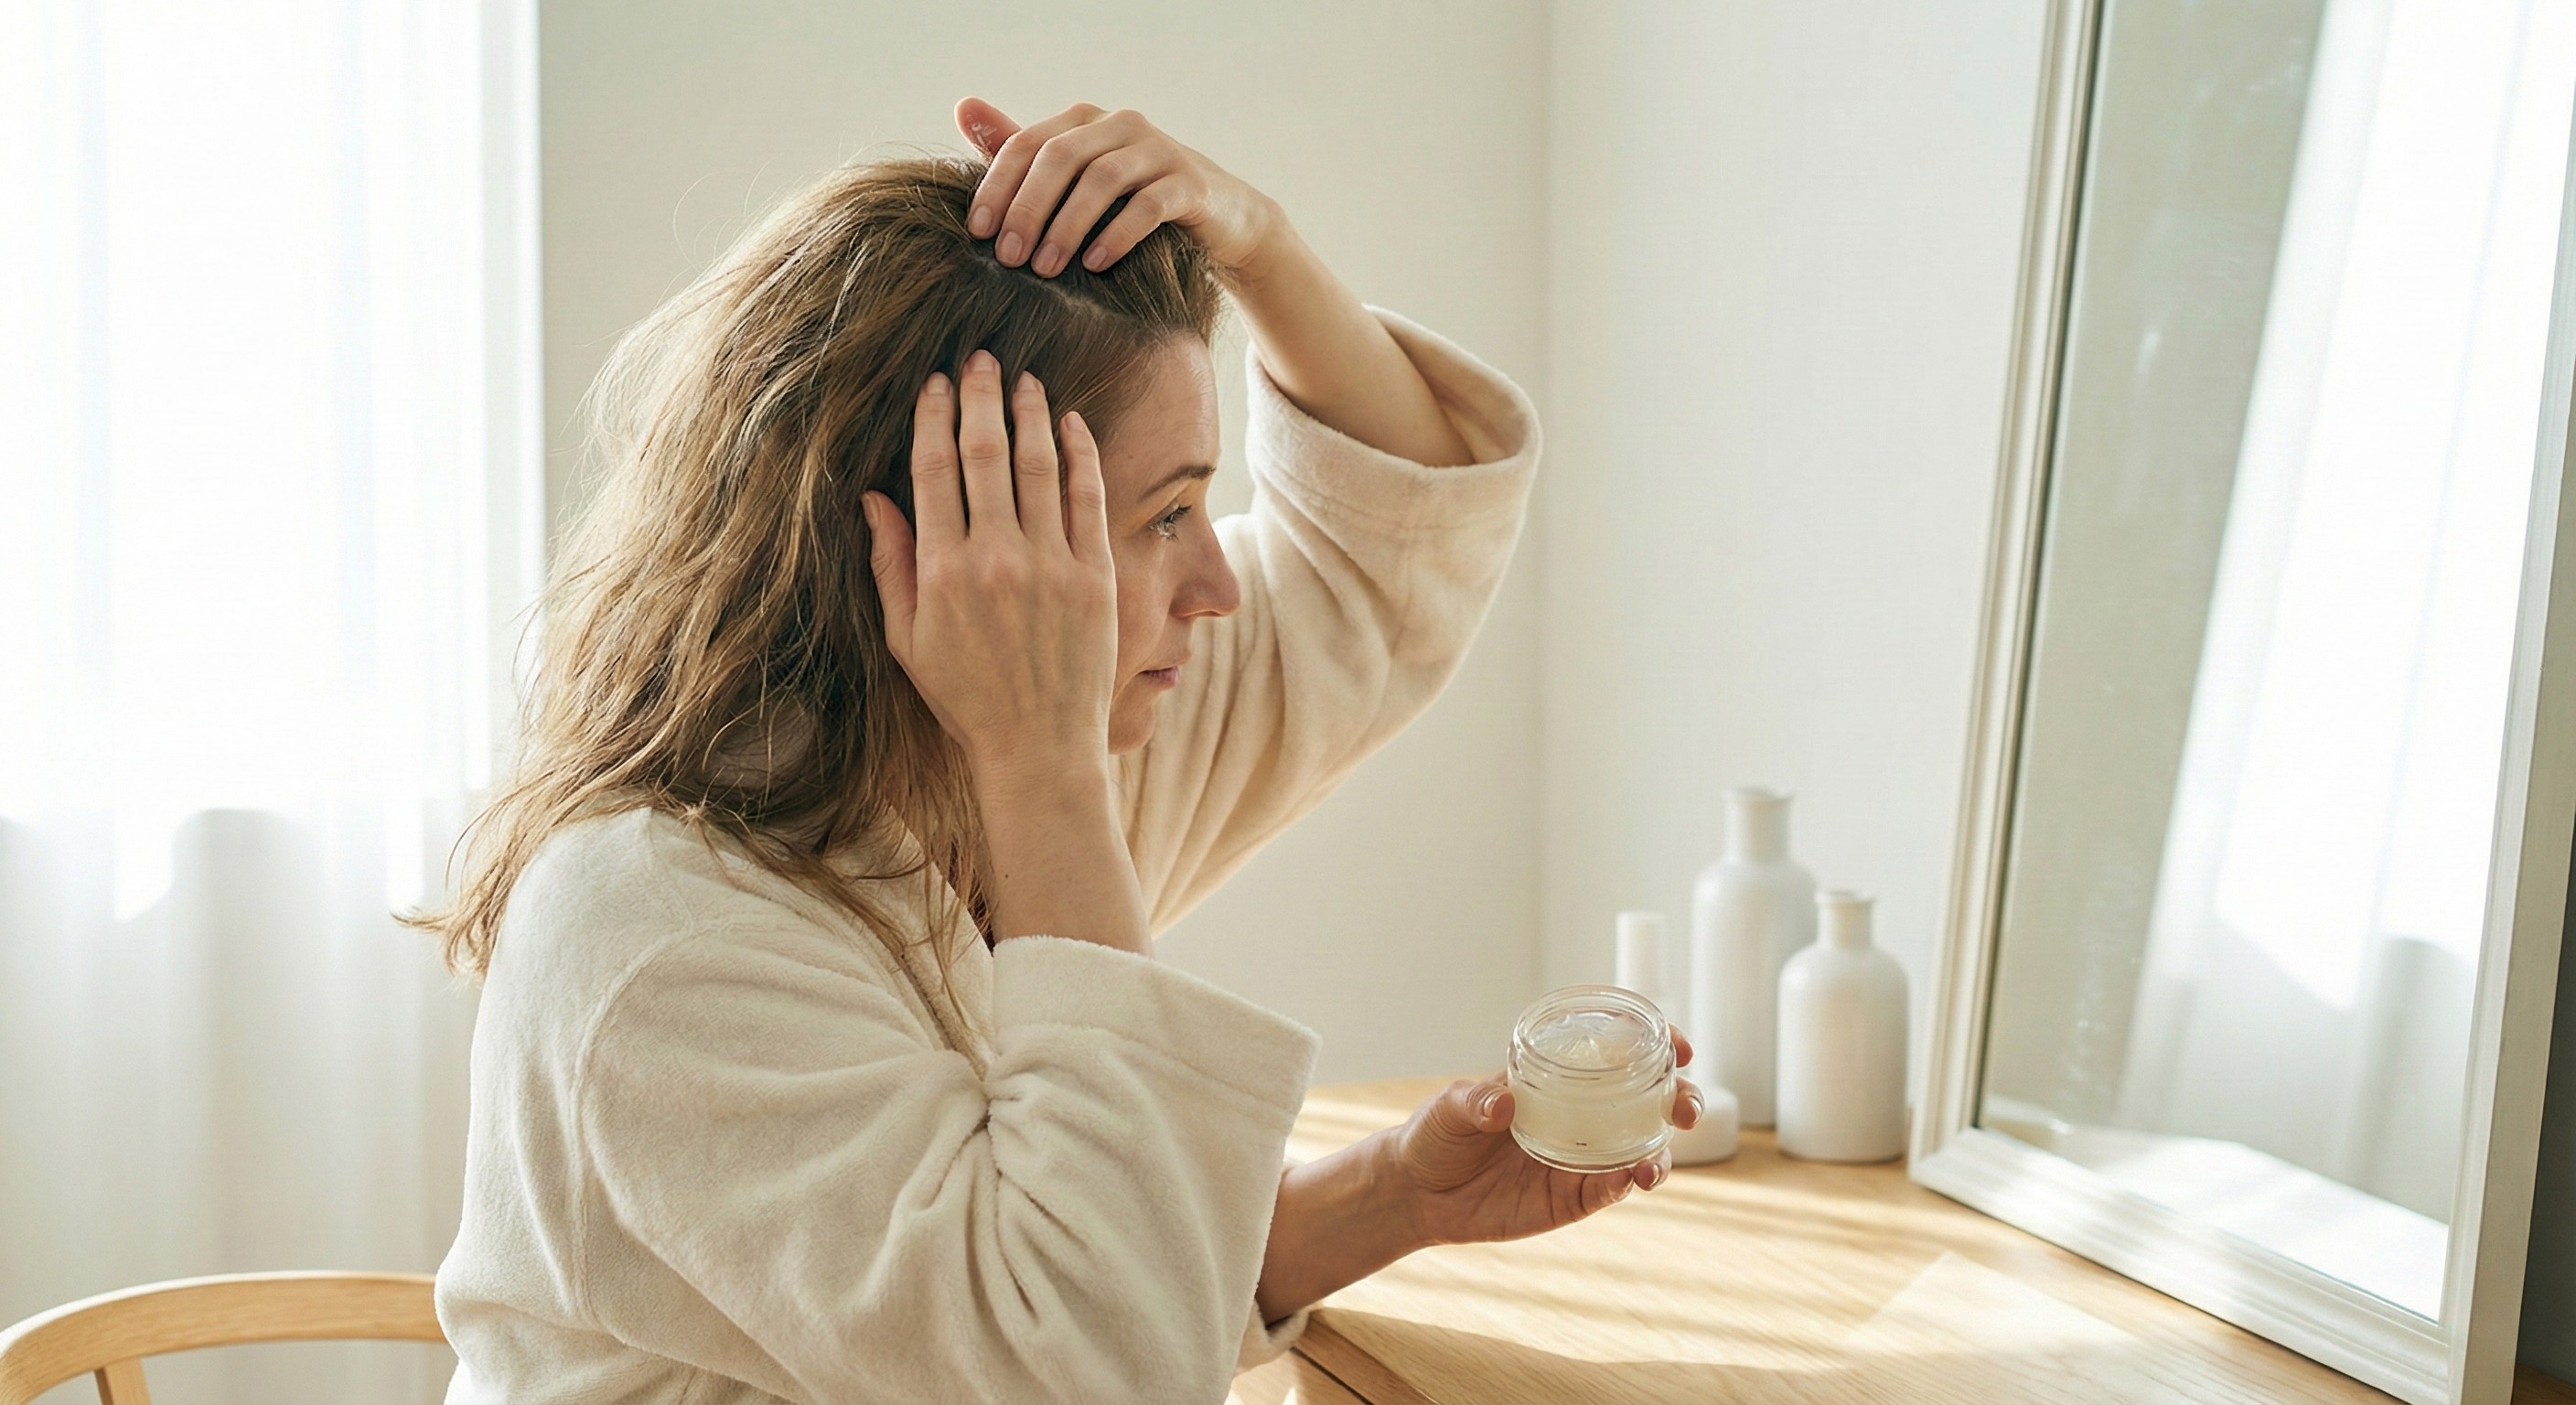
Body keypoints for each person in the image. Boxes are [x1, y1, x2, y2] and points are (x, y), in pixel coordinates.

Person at [422, 100, 1703, 1405]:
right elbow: (1090, 1375)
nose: (1218, 583)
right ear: (951, 551)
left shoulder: (1000, 754)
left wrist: (1259, 244)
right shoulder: (661, 933)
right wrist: (1042, 768)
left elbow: (1388, 537)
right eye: (1166, 516)